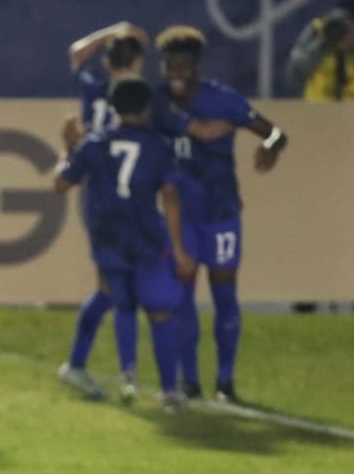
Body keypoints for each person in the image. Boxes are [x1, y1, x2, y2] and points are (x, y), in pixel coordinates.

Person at [155, 25, 287, 404]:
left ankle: (225, 381)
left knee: (225, 295)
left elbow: (275, 132)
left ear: (195, 66)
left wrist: (272, 147)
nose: (177, 72)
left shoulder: (224, 99)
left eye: (183, 64)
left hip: (221, 210)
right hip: (180, 214)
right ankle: (189, 380)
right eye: (171, 65)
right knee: (182, 295)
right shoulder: (158, 102)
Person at [52, 78, 196, 413]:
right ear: (146, 109)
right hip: (145, 235)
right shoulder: (159, 145)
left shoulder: (94, 143)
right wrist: (179, 248)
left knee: (122, 304)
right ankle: (169, 390)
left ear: (114, 108)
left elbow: (60, 184)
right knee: (160, 311)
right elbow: (170, 195)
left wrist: (67, 148)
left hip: (108, 237)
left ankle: (128, 376)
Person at [58, 22, 146, 403]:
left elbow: (76, 52)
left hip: (97, 195)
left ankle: (79, 365)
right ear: (139, 62)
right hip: (123, 200)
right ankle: (81, 366)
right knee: (115, 287)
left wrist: (108, 33)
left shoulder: (94, 87)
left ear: (108, 61)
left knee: (112, 287)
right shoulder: (141, 99)